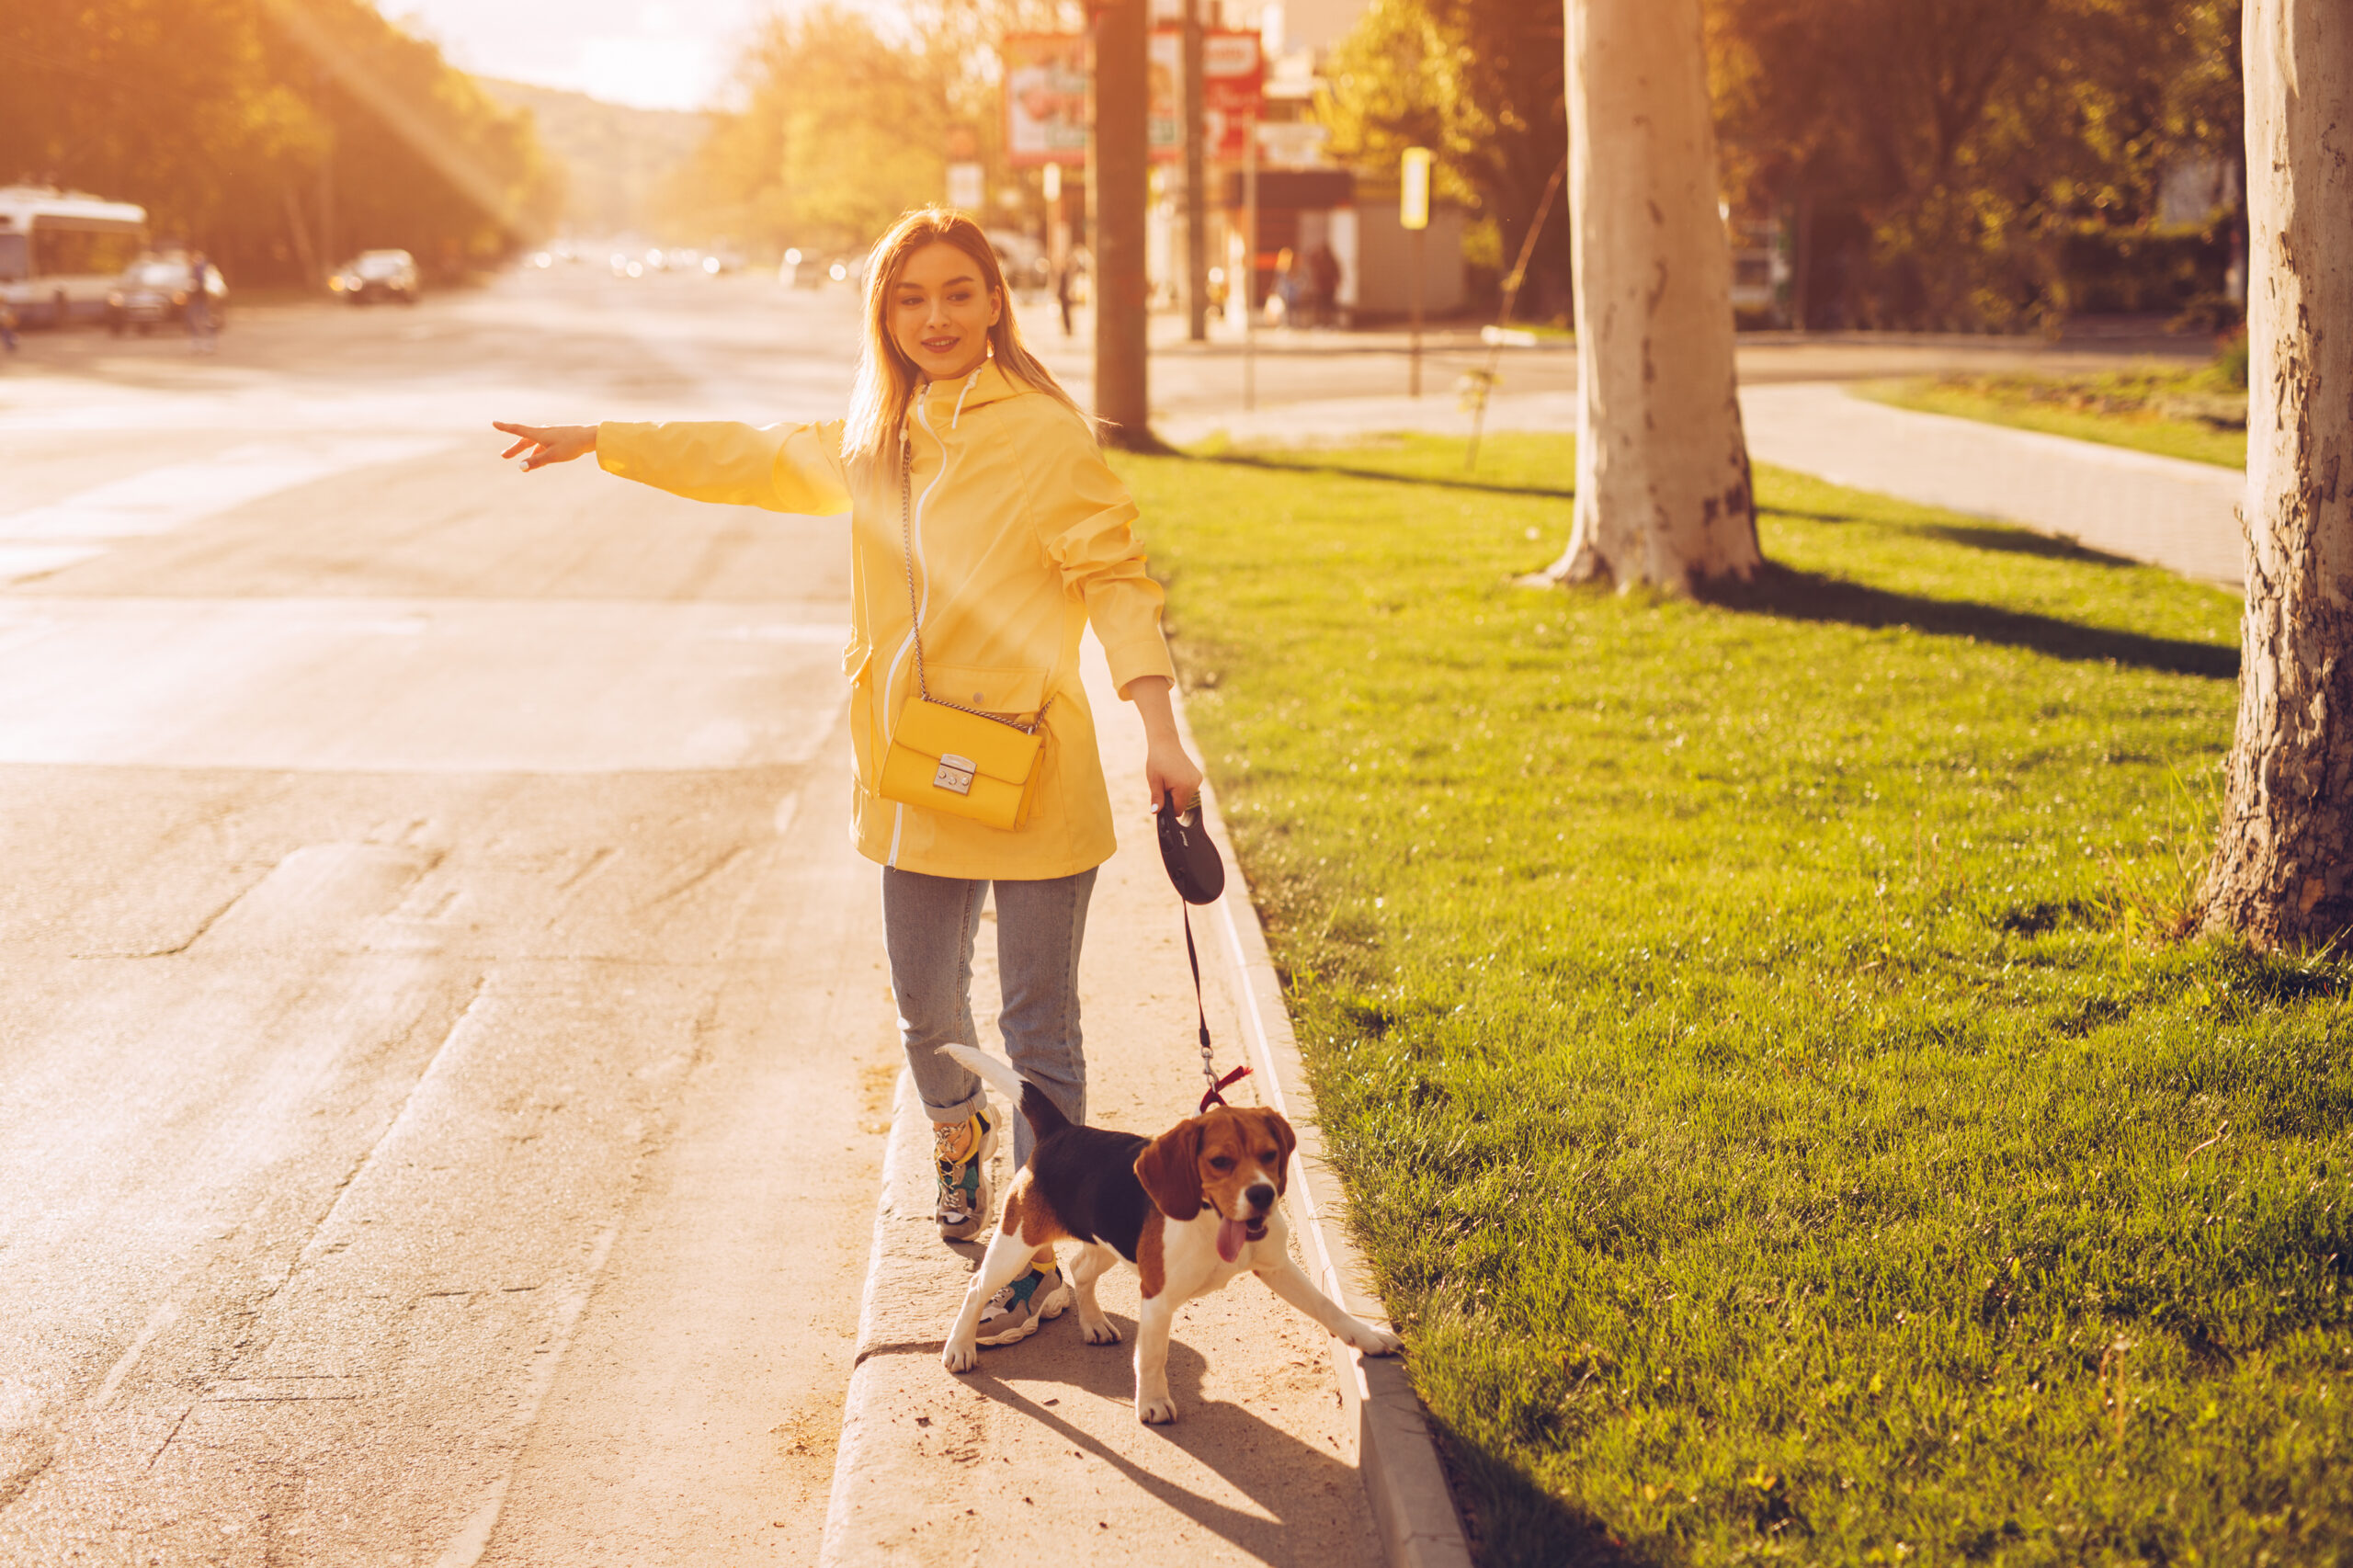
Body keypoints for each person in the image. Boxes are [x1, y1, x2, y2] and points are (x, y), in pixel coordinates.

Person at [492, 207, 1203, 1348]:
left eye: (958, 293)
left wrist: (1159, 727)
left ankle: (1036, 1254)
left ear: (995, 302)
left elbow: (1117, 577)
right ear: (885, 313)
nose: (936, 316)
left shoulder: (1043, 434)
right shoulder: (878, 436)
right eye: (910, 297)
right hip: (918, 772)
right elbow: (748, 453)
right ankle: (960, 1139)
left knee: (1040, 1029)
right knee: (927, 1011)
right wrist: (602, 437)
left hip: (1036, 773)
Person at [185, 252, 217, 355]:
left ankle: (206, 343)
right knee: (197, 321)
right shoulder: (195, 270)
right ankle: (203, 343)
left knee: (204, 321)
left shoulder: (204, 270)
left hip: (205, 301)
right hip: (198, 301)